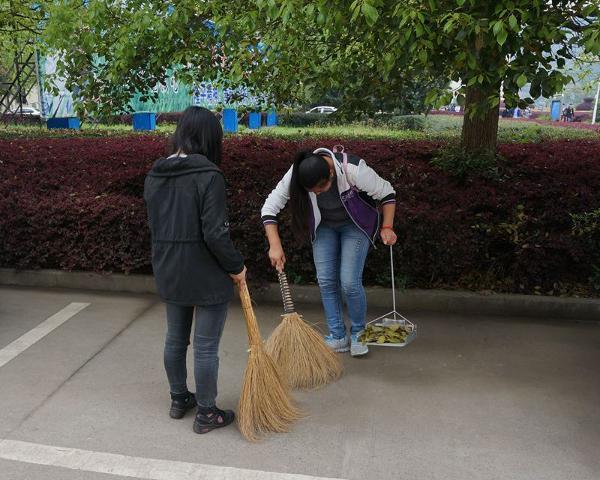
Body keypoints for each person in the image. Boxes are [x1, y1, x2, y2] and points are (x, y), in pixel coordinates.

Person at [144, 106, 246, 434]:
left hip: (169, 268)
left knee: (175, 339)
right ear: (209, 138)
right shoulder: (209, 175)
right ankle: (206, 412)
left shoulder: (155, 174)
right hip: (206, 273)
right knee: (205, 347)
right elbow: (215, 233)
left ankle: (179, 399)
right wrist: (237, 266)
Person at [261, 146, 397, 357]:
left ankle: (359, 333)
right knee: (325, 280)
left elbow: (387, 193)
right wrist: (275, 245)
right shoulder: (297, 173)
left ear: (331, 173)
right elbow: (269, 208)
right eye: (311, 191)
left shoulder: (353, 169)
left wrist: (387, 227)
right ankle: (337, 336)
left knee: (349, 281)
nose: (316, 193)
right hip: (324, 226)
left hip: (355, 226)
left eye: (320, 188)